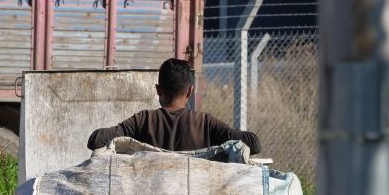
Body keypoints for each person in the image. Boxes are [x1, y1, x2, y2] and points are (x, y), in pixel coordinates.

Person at [86, 58, 262, 154]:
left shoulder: (143, 121)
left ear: (158, 90)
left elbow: (95, 140)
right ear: (191, 91)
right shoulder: (205, 124)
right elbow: (254, 144)